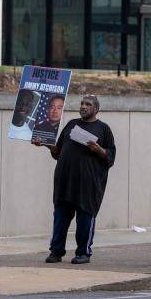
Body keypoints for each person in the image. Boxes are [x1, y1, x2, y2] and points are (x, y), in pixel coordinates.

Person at [32, 94, 116, 265]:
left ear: (96, 109)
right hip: (65, 181)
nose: (84, 106)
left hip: (88, 184)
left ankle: (83, 253)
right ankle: (56, 251)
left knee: (85, 219)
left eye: (88, 104)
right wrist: (45, 144)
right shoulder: (72, 124)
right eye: (82, 103)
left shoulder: (103, 129)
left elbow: (111, 157)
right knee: (60, 218)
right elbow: (58, 151)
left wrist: (97, 148)